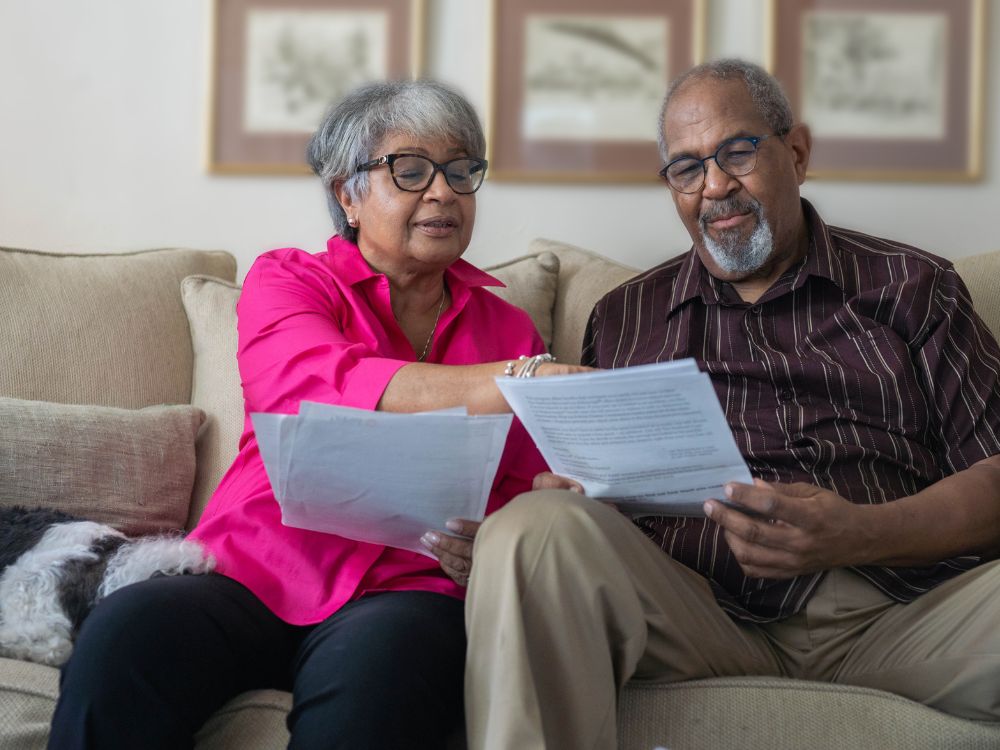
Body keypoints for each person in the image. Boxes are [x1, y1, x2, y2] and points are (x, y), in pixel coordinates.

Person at [462, 59, 1000, 749]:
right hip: (701, 613)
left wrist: (860, 532)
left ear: (796, 153)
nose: (715, 186)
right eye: (686, 168)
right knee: (532, 526)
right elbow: (594, 500)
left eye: (737, 152)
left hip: (901, 610)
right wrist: (575, 495)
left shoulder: (914, 287)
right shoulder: (626, 317)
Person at [48, 79, 583, 750]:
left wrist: (498, 540)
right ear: (347, 194)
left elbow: (524, 484)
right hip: (252, 570)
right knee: (126, 632)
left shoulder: (510, 329)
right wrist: (512, 381)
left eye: (460, 170)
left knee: (387, 678)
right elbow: (311, 385)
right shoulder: (291, 280)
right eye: (410, 170)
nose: (443, 192)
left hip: (408, 589)